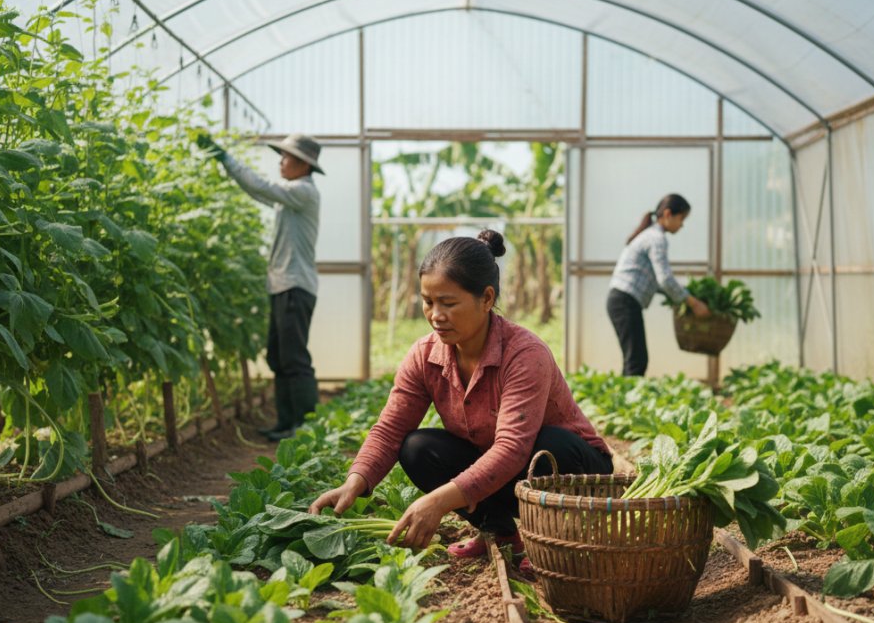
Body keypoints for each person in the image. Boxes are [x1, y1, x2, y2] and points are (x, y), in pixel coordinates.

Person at [309, 230, 613, 565]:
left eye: (449, 303)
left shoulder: (525, 354)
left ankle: (557, 540)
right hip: (503, 474)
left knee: (550, 443)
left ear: (486, 298)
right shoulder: (425, 355)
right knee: (417, 447)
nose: (436, 314)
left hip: (577, 476)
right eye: (428, 302)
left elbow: (513, 449)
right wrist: (355, 481)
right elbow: (391, 428)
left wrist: (438, 502)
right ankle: (499, 533)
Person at [198, 132, 322, 441]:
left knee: (294, 358)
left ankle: (305, 426)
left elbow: (262, 187)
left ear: (303, 164)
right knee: (279, 357)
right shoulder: (290, 196)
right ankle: (286, 424)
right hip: (283, 285)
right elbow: (258, 192)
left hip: (295, 285)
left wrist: (225, 157)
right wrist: (228, 167)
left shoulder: (304, 191)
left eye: (286, 157)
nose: (280, 161)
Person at [607, 193, 711, 377]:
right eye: (681, 219)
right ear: (668, 214)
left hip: (621, 300)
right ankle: (626, 401)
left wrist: (681, 297)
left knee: (634, 358)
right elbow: (665, 279)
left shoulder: (650, 235)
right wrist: (693, 303)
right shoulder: (657, 239)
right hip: (624, 301)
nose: (682, 225)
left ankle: (624, 398)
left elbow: (659, 283)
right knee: (636, 360)